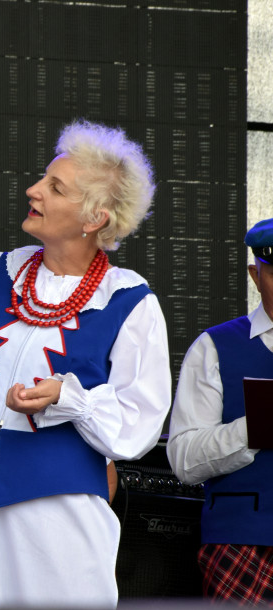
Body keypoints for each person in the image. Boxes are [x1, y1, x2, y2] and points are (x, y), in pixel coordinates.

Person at [0, 119, 171, 608]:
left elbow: (138, 424)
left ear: (93, 219)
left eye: (54, 186)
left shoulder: (129, 301)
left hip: (56, 514)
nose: (33, 189)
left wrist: (71, 400)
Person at [167, 217, 273, 604]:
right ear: (255, 275)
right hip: (242, 543)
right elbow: (182, 459)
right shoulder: (214, 347)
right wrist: (258, 426)